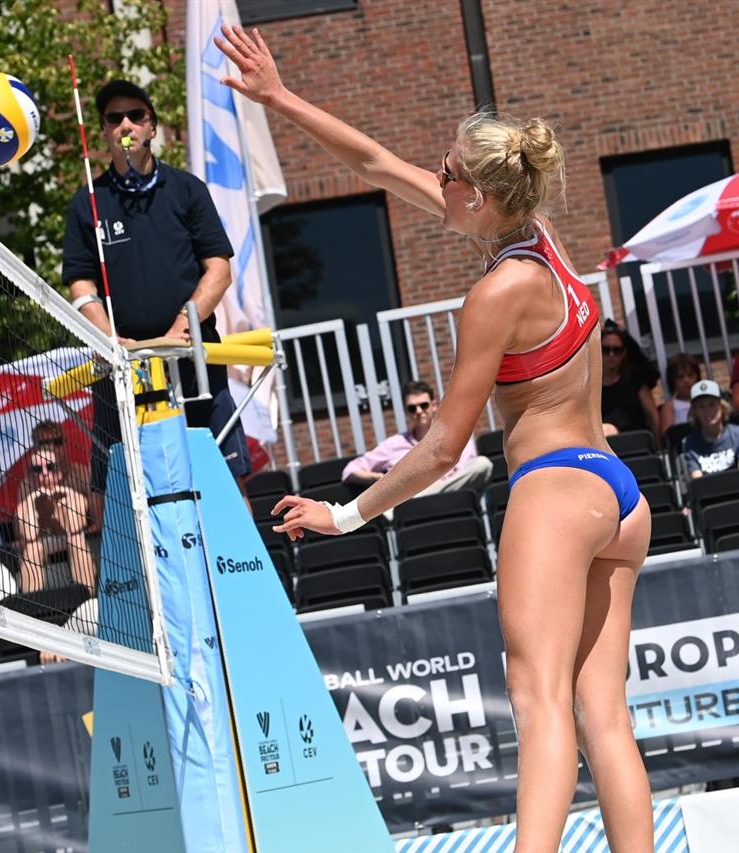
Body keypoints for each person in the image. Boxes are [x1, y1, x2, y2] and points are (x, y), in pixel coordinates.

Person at [216, 24, 652, 851]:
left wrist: (347, 513)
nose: (435, 174)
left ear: (476, 197)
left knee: (539, 705)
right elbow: (376, 164)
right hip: (620, 496)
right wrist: (278, 98)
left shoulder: (498, 292)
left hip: (557, 494)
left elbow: (443, 448)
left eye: (446, 171)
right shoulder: (539, 237)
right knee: (605, 713)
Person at [62, 78, 250, 525]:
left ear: (152, 126)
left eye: (136, 115)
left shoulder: (186, 189)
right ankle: (137, 573)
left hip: (193, 356)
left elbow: (219, 270)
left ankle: (240, 566)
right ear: (103, 130)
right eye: (114, 118)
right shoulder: (87, 203)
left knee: (226, 483)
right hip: (121, 368)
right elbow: (81, 284)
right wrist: (110, 339)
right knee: (115, 497)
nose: (125, 124)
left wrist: (179, 329)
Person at [341, 380, 493, 497]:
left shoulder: (456, 435)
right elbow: (350, 470)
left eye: (424, 405)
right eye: (412, 408)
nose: (419, 411)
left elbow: (468, 469)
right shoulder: (393, 444)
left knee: (482, 464)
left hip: (453, 496)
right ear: (406, 411)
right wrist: (378, 478)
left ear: (434, 405)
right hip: (416, 505)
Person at [15, 445, 96, 594]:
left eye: (50, 467)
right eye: (37, 469)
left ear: (60, 470)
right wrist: (33, 499)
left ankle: (86, 596)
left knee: (76, 540)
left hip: (74, 539)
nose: (45, 473)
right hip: (44, 544)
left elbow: (76, 527)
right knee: (31, 549)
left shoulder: (73, 485)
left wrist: (66, 495)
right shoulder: (26, 488)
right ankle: (33, 604)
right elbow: (29, 535)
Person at [599, 319, 659, 441]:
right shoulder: (591, 386)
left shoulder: (635, 380)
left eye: (617, 350)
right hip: (607, 446)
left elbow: (652, 415)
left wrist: (659, 446)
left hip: (637, 443)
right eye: (606, 350)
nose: (611, 355)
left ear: (624, 353)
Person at [682, 379, 738, 478]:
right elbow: (698, 481)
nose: (707, 411)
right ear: (694, 412)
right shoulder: (690, 443)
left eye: (712, 404)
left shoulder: (737, 434)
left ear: (722, 407)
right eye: (701, 407)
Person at [657, 353, 702, 436]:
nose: (686, 380)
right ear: (672, 381)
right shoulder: (670, 406)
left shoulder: (705, 401)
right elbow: (667, 435)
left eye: (690, 375)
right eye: (680, 377)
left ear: (697, 377)